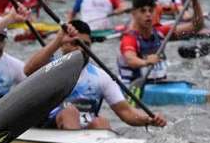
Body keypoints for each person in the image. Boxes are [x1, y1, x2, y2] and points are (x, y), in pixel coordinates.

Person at [24, 20, 166, 130]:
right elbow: (28, 70)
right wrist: (57, 40)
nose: (80, 49)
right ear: (63, 45)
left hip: (83, 130)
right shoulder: (51, 66)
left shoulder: (101, 76)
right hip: (49, 127)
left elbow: (126, 112)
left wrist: (149, 119)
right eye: (75, 43)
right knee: (70, 112)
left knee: (101, 122)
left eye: (85, 44)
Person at [117, 0, 203, 86]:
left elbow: (197, 26)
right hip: (132, 87)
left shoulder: (161, 32)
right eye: (143, 11)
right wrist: (146, 62)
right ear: (134, 13)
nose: (148, 14)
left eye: (150, 10)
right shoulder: (130, 38)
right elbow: (131, 60)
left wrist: (195, 0)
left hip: (158, 85)